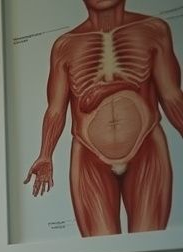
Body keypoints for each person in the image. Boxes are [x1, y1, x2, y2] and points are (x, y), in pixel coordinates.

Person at [23, 0, 183, 236]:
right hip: (89, 156)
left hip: (146, 148)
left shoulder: (153, 30)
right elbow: (56, 108)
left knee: (150, 244)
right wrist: (45, 154)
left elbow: (172, 96)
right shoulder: (65, 46)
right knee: (99, 248)